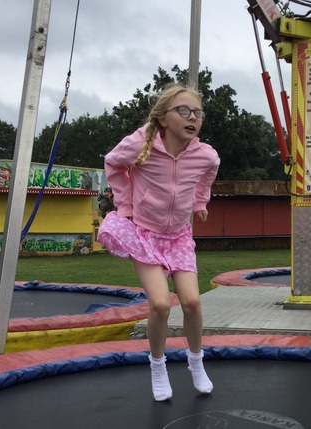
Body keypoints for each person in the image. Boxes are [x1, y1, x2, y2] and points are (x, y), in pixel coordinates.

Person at [97, 83, 220, 401]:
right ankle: (157, 365)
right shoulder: (142, 143)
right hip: (145, 234)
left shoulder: (204, 155)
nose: (192, 117)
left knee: (192, 302)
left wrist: (200, 202)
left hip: (178, 236)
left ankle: (196, 363)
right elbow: (113, 163)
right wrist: (124, 203)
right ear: (164, 118)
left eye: (197, 112)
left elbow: (209, 173)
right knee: (161, 304)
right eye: (184, 110)